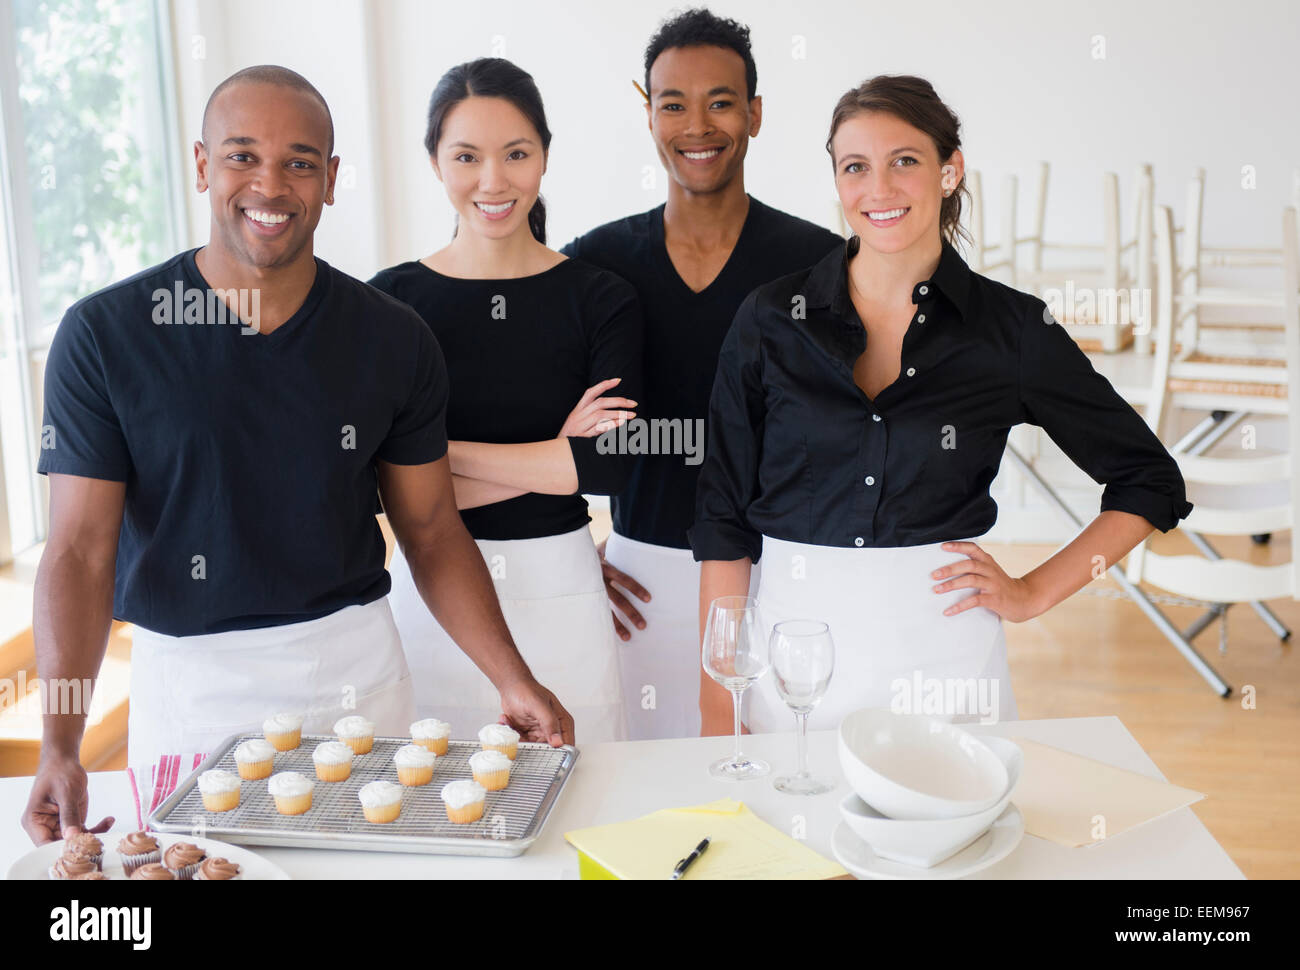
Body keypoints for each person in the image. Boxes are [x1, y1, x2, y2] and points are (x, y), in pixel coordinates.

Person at [21, 65, 573, 844]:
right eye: (242, 156)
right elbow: (77, 552)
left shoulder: (393, 337)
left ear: (332, 178)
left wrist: (513, 680)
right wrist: (60, 743)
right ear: (204, 164)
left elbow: (432, 531)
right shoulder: (105, 335)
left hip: (354, 685)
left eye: (300, 162)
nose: (270, 185)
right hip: (190, 694)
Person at [691, 74, 1193, 734]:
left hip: (945, 662)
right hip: (793, 658)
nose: (879, 189)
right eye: (855, 167)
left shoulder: (1010, 329)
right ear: (838, 181)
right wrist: (716, 706)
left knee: (951, 835)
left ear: (949, 171)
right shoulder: (771, 320)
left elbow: (1150, 480)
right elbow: (723, 517)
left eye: (905, 161)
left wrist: (1033, 592)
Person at [560, 8, 843, 739]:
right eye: (673, 104)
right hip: (639, 583)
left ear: (754, 113)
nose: (698, 126)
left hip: (782, 574)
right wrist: (563, 547)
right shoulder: (594, 264)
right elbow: (539, 414)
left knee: (772, 793)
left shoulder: (817, 264)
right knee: (648, 798)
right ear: (646, 109)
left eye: (720, 102)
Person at [369, 58, 643, 743]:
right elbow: (369, 489)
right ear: (435, 162)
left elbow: (609, 468)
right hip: (432, 604)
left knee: (581, 801)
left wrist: (427, 459)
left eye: (516, 154)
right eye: (467, 156)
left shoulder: (600, 298)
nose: (493, 181)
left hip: (562, 591)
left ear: (544, 156)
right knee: (437, 806)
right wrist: (555, 457)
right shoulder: (388, 304)